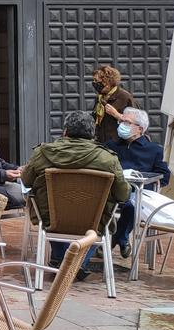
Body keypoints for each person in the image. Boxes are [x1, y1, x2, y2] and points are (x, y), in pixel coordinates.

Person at [23, 110, 129, 281]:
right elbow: (123, 194)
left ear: (65, 131)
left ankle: (62, 259)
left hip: (52, 219)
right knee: (99, 220)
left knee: (52, 209)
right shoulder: (108, 159)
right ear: (92, 134)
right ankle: (77, 263)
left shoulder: (43, 153)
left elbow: (26, 181)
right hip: (93, 222)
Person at [105, 107, 170, 259]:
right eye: (121, 121)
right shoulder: (111, 146)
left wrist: (143, 177)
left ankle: (119, 237)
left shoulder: (155, 150)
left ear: (139, 129)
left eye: (126, 122)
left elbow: (164, 177)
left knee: (131, 205)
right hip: (113, 193)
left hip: (140, 194)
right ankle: (117, 239)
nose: (121, 124)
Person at [91, 65, 135, 144]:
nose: (94, 84)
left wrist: (117, 115)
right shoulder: (100, 98)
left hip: (120, 146)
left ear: (107, 81)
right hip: (102, 145)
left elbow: (137, 123)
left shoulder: (124, 97)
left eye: (96, 80)